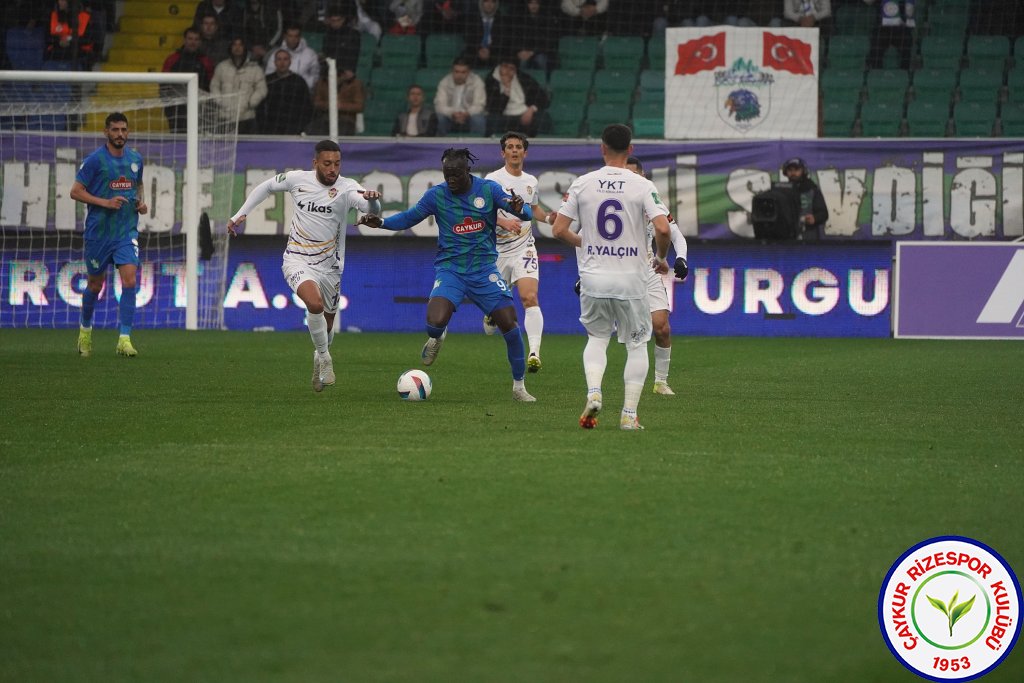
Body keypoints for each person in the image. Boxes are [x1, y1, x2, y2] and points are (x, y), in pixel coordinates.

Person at [356, 148, 538, 402]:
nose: (450, 179)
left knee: (510, 324)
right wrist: (382, 222)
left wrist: (520, 209)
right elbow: (409, 218)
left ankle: (519, 387)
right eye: (446, 174)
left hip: (484, 271)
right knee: (433, 324)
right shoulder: (437, 195)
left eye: (456, 174)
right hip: (451, 269)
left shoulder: (488, 190)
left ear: (468, 171)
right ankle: (438, 336)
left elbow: (525, 214)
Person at [227, 140, 382, 391]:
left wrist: (372, 201)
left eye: (337, 164)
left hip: (331, 267)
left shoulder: (347, 187)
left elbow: (368, 207)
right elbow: (266, 187)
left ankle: (319, 354)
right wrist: (240, 214)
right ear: (315, 163)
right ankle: (325, 358)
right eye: (327, 164)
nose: (333, 169)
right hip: (297, 259)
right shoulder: (297, 180)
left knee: (327, 326)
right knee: (314, 304)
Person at [551, 124, 671, 431]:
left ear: (602, 148)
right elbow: (662, 228)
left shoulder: (583, 183)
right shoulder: (642, 184)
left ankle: (594, 392)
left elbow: (559, 229)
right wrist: (660, 258)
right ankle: (629, 415)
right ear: (630, 149)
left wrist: (587, 242)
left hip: (593, 278)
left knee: (597, 338)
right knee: (636, 345)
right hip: (631, 279)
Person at [70, 112, 149, 358]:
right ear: (106, 132)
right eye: (115, 130)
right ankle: (85, 330)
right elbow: (75, 191)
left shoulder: (136, 159)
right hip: (99, 234)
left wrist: (141, 203)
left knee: (130, 281)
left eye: (123, 129)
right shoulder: (95, 160)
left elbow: (138, 184)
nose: (120, 134)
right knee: (95, 285)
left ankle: (124, 339)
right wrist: (105, 202)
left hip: (126, 232)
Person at [483, 131, 552, 372]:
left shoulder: (531, 181)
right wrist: (503, 222)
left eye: (518, 147)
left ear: (525, 152)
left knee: (529, 297)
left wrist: (550, 218)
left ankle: (534, 353)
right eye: (510, 147)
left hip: (525, 248)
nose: (514, 150)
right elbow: (482, 211)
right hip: (497, 251)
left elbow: (534, 209)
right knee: (496, 305)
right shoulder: (492, 180)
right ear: (503, 153)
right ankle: (491, 313)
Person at [625, 155, 690, 396]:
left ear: (642, 176)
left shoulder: (651, 200)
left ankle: (660, 382)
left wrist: (681, 257)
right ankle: (600, 388)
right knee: (631, 335)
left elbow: (674, 233)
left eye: (634, 174)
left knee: (661, 327)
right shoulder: (610, 199)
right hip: (617, 270)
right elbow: (585, 236)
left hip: (647, 267)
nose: (630, 179)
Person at [161, 27, 215, 133]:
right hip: (176, 108)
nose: (193, 42)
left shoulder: (206, 61)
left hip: (199, 107)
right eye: (190, 39)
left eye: (196, 39)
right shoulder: (172, 59)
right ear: (184, 40)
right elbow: (163, 83)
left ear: (200, 42)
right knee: (178, 137)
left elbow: (211, 84)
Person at [210, 36, 268, 134]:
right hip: (224, 117)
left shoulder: (255, 68)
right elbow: (214, 86)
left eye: (240, 45)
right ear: (230, 47)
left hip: (246, 117)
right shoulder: (221, 67)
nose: (237, 47)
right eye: (234, 44)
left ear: (245, 48)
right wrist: (220, 101)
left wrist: (251, 102)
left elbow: (262, 89)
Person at [484, 56, 549, 136]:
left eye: (511, 68)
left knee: (543, 117)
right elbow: (493, 108)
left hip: (524, 114)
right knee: (492, 120)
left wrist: (531, 109)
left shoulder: (524, 79)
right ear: (500, 66)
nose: (507, 71)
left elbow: (543, 98)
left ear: (515, 70)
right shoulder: (491, 81)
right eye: (505, 67)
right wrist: (507, 88)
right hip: (503, 116)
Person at [257, 48, 314, 133]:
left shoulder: (299, 81)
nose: (282, 63)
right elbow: (260, 105)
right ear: (275, 62)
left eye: (285, 59)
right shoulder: (267, 81)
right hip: (270, 128)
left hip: (293, 128)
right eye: (279, 59)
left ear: (290, 62)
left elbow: (307, 107)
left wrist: (300, 126)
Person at [434, 56, 487, 136]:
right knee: (440, 118)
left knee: (478, 120)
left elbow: (479, 105)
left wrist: (467, 113)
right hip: (450, 116)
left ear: (469, 72)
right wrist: (452, 113)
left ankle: (477, 143)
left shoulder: (477, 81)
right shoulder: (444, 82)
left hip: (470, 116)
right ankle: (441, 143)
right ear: (452, 71)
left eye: (463, 72)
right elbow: (439, 105)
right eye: (456, 71)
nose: (459, 75)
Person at [306, 65, 366, 135]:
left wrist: (340, 106)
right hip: (325, 118)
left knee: (340, 131)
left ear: (342, 76)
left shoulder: (355, 84)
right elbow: (316, 102)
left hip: (346, 120)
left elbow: (359, 106)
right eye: (328, 78)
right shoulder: (321, 83)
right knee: (311, 130)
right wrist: (328, 105)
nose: (331, 81)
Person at [263, 23, 320, 90]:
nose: (293, 39)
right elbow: (269, 75)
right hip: (280, 92)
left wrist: (305, 87)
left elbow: (315, 76)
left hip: (303, 92)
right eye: (290, 36)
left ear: (300, 37)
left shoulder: (310, 54)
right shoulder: (276, 54)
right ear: (285, 36)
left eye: (296, 36)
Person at [782, 157, 828, 232]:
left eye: (796, 170)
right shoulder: (782, 190)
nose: (793, 173)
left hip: (808, 232)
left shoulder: (812, 189)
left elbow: (823, 213)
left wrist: (814, 218)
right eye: (790, 170)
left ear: (803, 171)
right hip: (787, 233)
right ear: (785, 172)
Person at [864, 0, 914, 70]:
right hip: (882, 28)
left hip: (901, 27)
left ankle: (905, 73)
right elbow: (867, 1)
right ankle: (876, 73)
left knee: (906, 51)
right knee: (876, 51)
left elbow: (910, 8)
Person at [47, 0, 94, 65]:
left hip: (79, 55)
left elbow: (87, 39)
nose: (59, 2)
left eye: (63, 0)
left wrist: (69, 40)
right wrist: (59, 41)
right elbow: (48, 38)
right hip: (57, 54)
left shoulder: (84, 17)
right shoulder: (53, 15)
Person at [463, 0, 506, 69]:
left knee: (502, 59)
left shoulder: (502, 19)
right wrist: (479, 49)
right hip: (475, 50)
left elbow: (502, 39)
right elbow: (468, 38)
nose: (489, 4)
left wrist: (489, 50)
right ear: (481, 3)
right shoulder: (472, 18)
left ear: (496, 4)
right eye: (486, 1)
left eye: (492, 2)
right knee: (467, 58)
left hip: (494, 51)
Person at [240, 0, 283, 66]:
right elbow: (243, 32)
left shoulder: (274, 8)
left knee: (269, 60)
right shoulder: (245, 10)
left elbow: (279, 30)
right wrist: (251, 47)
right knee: (244, 59)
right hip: (251, 48)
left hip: (271, 46)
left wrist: (266, 47)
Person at [322, 5, 362, 73]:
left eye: (338, 20)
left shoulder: (353, 35)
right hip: (329, 71)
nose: (336, 23)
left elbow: (353, 57)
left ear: (343, 19)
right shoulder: (328, 35)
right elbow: (325, 54)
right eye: (333, 21)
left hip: (346, 72)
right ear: (329, 20)